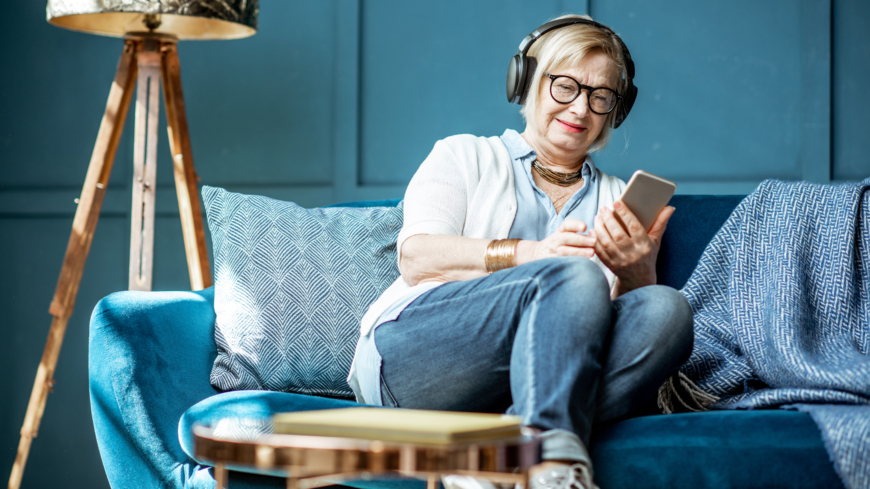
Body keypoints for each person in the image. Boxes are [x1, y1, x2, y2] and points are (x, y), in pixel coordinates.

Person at [347, 14, 693, 489]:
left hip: (534, 380)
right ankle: (545, 461)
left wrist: (636, 272)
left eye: (600, 96)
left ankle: (500, 451)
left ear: (616, 109)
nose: (581, 108)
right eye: (565, 85)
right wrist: (529, 254)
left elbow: (603, 335)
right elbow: (417, 257)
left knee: (666, 309)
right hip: (418, 360)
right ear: (527, 81)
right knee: (572, 275)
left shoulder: (617, 198)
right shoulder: (462, 155)